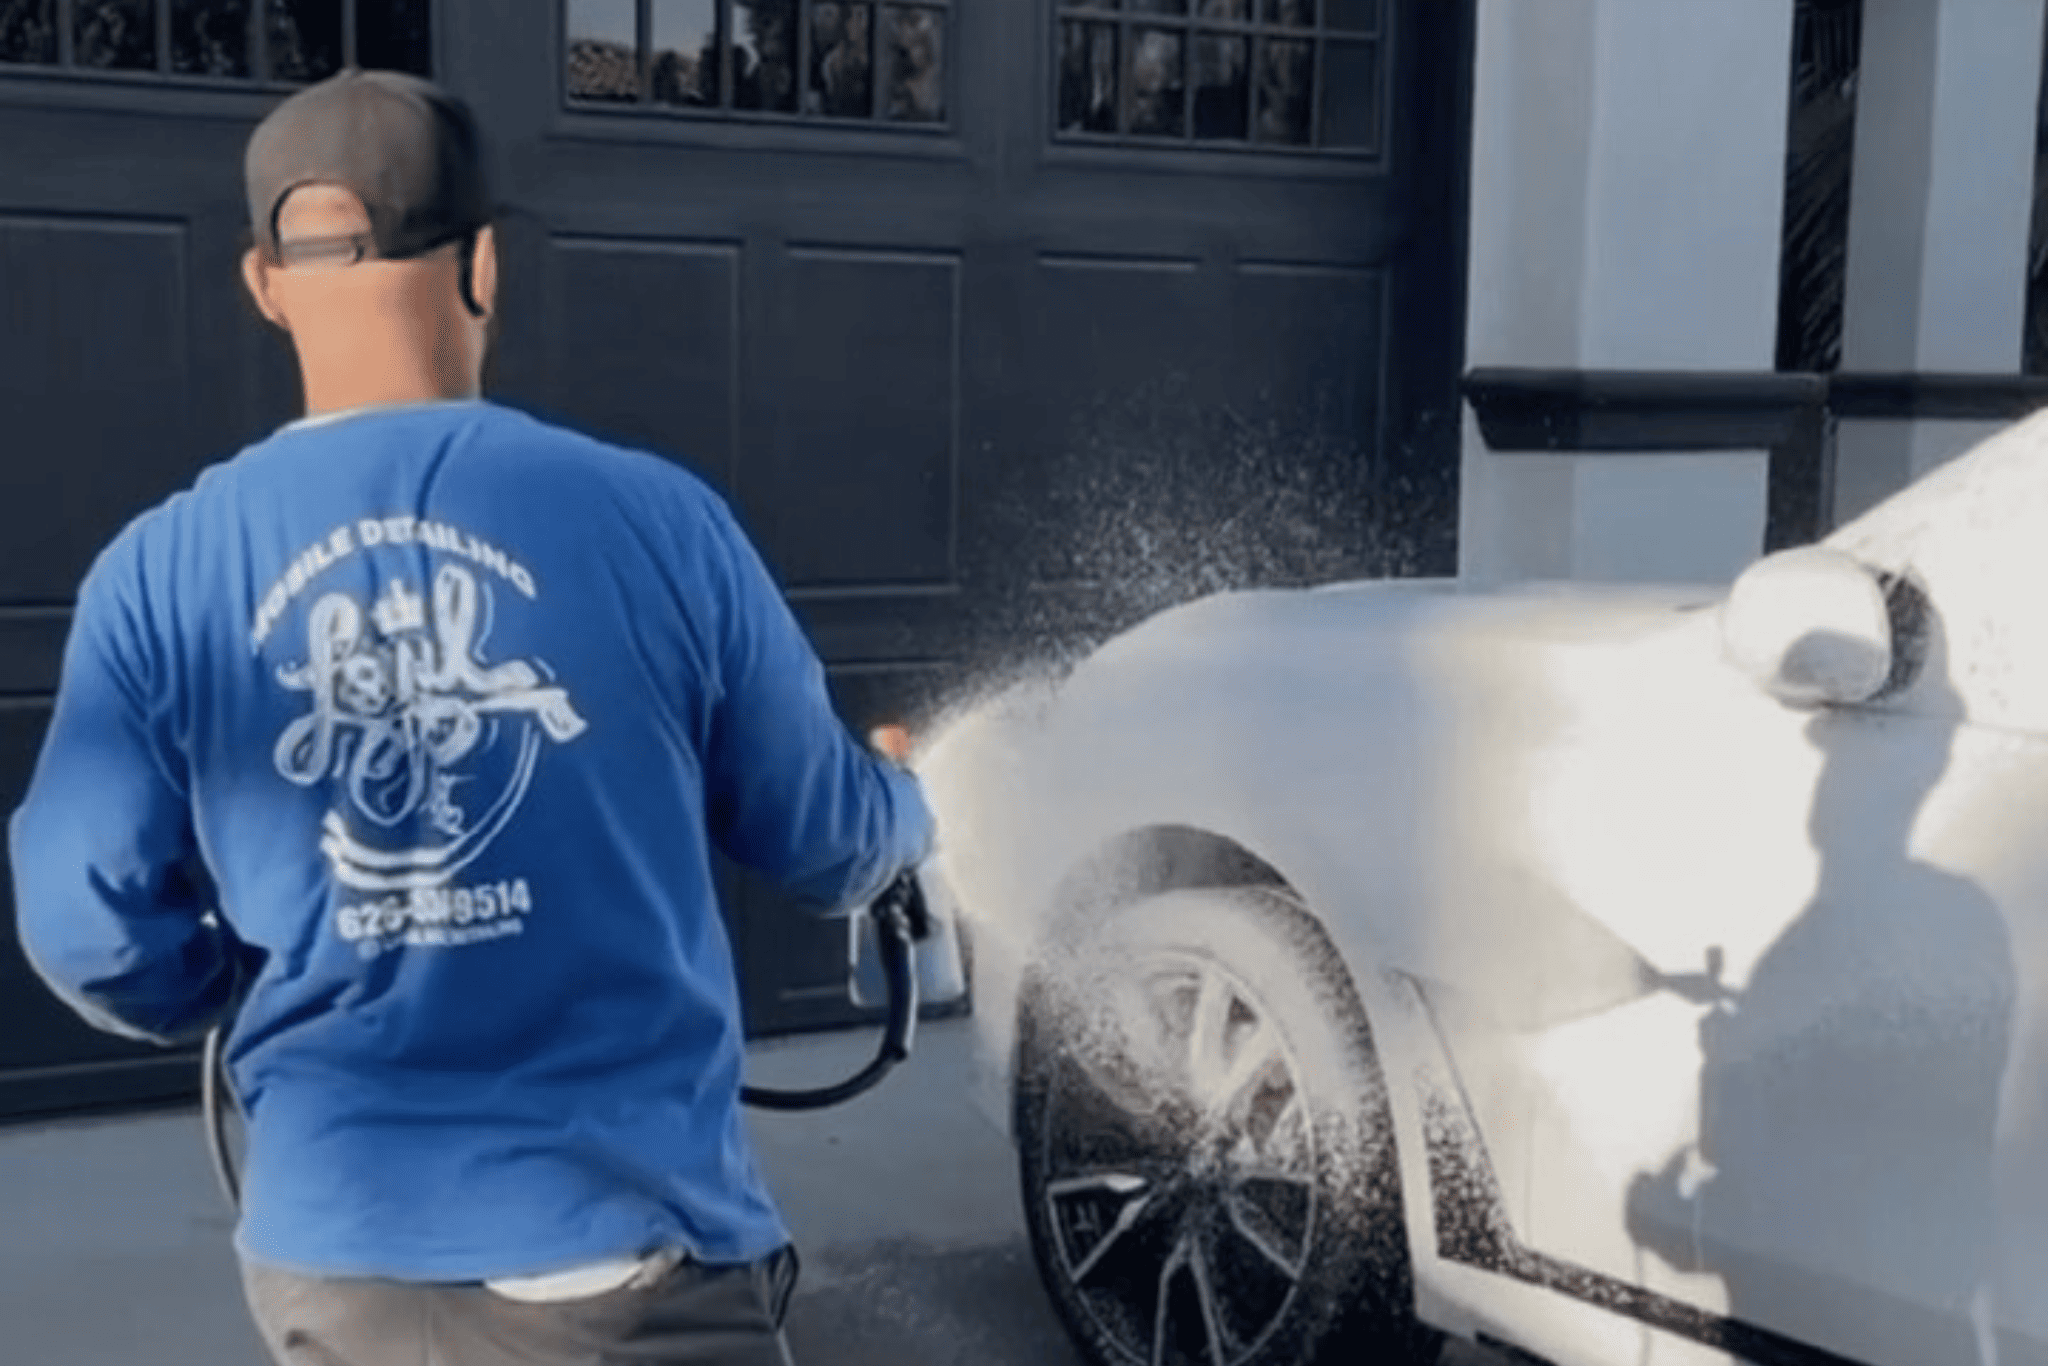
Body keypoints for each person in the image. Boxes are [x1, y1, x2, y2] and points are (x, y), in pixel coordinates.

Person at [7, 68, 933, 1366]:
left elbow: (80, 921)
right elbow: (829, 839)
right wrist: (908, 799)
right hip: (625, 1265)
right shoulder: (656, 522)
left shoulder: (160, 568)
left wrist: (234, 978)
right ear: (484, 264)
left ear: (265, 283)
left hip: (336, 1257)